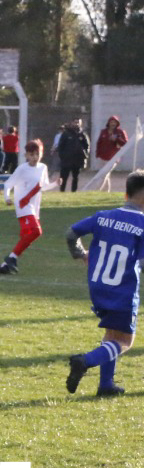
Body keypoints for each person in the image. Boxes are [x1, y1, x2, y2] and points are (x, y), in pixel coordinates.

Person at [63, 170, 144, 398]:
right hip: (123, 291)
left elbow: (71, 233)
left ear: (125, 194)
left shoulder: (102, 216)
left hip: (98, 288)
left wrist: (81, 254)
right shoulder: (142, 225)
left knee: (111, 334)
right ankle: (85, 361)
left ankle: (106, 385)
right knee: (125, 341)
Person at [0, 140, 57, 275]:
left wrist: (55, 184)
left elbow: (44, 186)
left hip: (34, 207)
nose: (35, 157)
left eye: (38, 154)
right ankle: (11, 258)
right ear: (26, 155)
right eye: (32, 154)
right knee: (37, 231)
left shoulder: (43, 168)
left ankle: (7, 263)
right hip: (23, 204)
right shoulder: (22, 169)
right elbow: (8, 184)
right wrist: (7, 198)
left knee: (26, 236)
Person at [91, 115, 131, 191]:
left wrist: (117, 139)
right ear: (108, 123)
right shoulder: (103, 131)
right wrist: (97, 154)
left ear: (117, 123)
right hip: (102, 157)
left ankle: (96, 190)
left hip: (113, 157)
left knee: (104, 174)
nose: (113, 124)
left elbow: (125, 144)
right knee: (106, 175)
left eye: (114, 122)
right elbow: (99, 143)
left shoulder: (120, 132)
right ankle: (106, 192)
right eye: (111, 122)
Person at [55, 118, 90, 192]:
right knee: (63, 177)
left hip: (77, 160)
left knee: (75, 177)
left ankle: (73, 192)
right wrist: (63, 156)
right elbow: (61, 146)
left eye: (78, 122)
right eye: (75, 122)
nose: (76, 124)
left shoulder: (82, 134)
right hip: (66, 160)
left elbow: (87, 146)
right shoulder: (66, 134)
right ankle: (62, 191)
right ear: (72, 123)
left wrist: (84, 155)